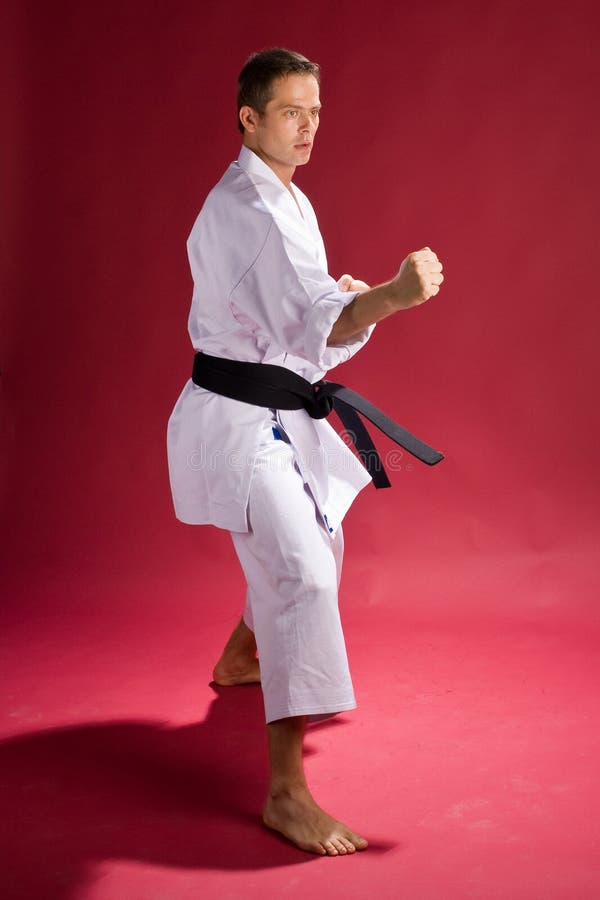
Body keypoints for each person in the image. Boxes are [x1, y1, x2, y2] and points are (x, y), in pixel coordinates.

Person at [167, 48, 444, 857]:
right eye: (292, 112)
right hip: (239, 423)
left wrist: (344, 302)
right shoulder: (250, 209)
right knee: (304, 572)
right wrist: (388, 295)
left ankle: (243, 651)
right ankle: (287, 794)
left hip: (274, 407)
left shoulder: (282, 194)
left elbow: (299, 317)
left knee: (320, 539)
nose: (308, 126)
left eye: (315, 111)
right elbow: (308, 323)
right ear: (249, 118)